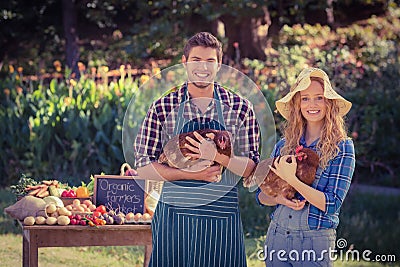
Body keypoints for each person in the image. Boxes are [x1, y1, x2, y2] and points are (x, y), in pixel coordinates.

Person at [134, 32, 260, 267]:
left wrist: (216, 157)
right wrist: (190, 174)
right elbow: (143, 167)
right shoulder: (163, 108)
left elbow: (251, 168)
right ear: (184, 62)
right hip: (174, 218)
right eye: (196, 60)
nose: (202, 67)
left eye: (210, 61)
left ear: (219, 65)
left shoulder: (240, 108)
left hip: (221, 219)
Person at [256, 67, 355, 266]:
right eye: (305, 98)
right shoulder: (284, 145)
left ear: (329, 103)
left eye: (319, 97)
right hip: (277, 236)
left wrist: (292, 180)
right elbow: (261, 196)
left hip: (313, 242)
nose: (312, 104)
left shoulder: (342, 148)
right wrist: (280, 198)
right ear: (297, 104)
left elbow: (332, 204)